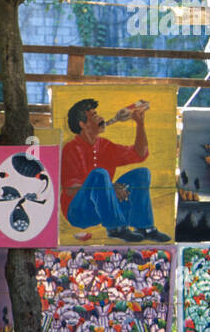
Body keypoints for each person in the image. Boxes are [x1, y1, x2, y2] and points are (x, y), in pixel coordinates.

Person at [60, 97, 171, 243]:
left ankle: (144, 227)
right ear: (82, 124)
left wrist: (140, 123)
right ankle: (116, 228)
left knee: (141, 174)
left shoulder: (105, 146)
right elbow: (70, 189)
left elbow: (140, 154)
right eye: (94, 115)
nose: (101, 118)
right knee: (99, 174)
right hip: (79, 212)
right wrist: (108, 188)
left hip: (101, 210)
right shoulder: (70, 149)